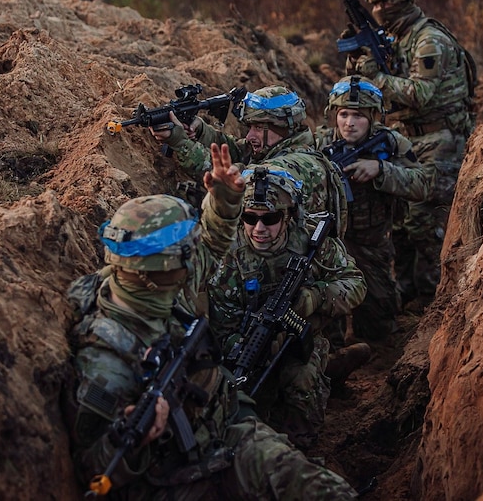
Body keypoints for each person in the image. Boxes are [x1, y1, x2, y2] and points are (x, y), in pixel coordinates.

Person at [65, 143, 358, 499]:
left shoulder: (151, 285)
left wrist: (223, 199)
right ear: (160, 270)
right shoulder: (105, 366)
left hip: (224, 423)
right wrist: (135, 434)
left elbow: (213, 242)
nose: (195, 256)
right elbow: (90, 468)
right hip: (175, 474)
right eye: (186, 252)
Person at [207, 165, 367, 451]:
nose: (259, 228)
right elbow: (221, 327)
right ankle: (333, 368)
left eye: (270, 218)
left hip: (302, 344)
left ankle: (303, 448)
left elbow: (355, 284)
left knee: (302, 380)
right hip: (249, 348)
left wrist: (315, 297)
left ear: (289, 215)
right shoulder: (228, 256)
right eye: (250, 218)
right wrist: (243, 348)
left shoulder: (311, 241)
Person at [345, 0, 477, 304]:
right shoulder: (396, 38)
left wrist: (378, 77)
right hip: (406, 138)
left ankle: (436, 299)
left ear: (400, 2)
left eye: (382, 2)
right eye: (373, 3)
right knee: (402, 222)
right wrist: (358, 66)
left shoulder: (428, 39)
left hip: (439, 141)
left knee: (425, 222)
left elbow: (422, 93)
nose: (376, 9)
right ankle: (404, 295)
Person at [315, 76, 431, 341]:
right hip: (327, 247)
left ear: (373, 117)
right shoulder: (318, 144)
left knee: (380, 330)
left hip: (372, 245)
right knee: (324, 324)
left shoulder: (390, 143)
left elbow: (423, 185)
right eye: (343, 114)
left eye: (358, 115)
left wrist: (381, 170)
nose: (349, 123)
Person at [152, 85, 347, 236]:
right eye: (249, 127)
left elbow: (227, 184)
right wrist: (201, 131)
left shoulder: (293, 165)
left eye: (258, 128)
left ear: (281, 127)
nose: (250, 135)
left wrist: (180, 142)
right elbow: (237, 150)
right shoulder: (281, 146)